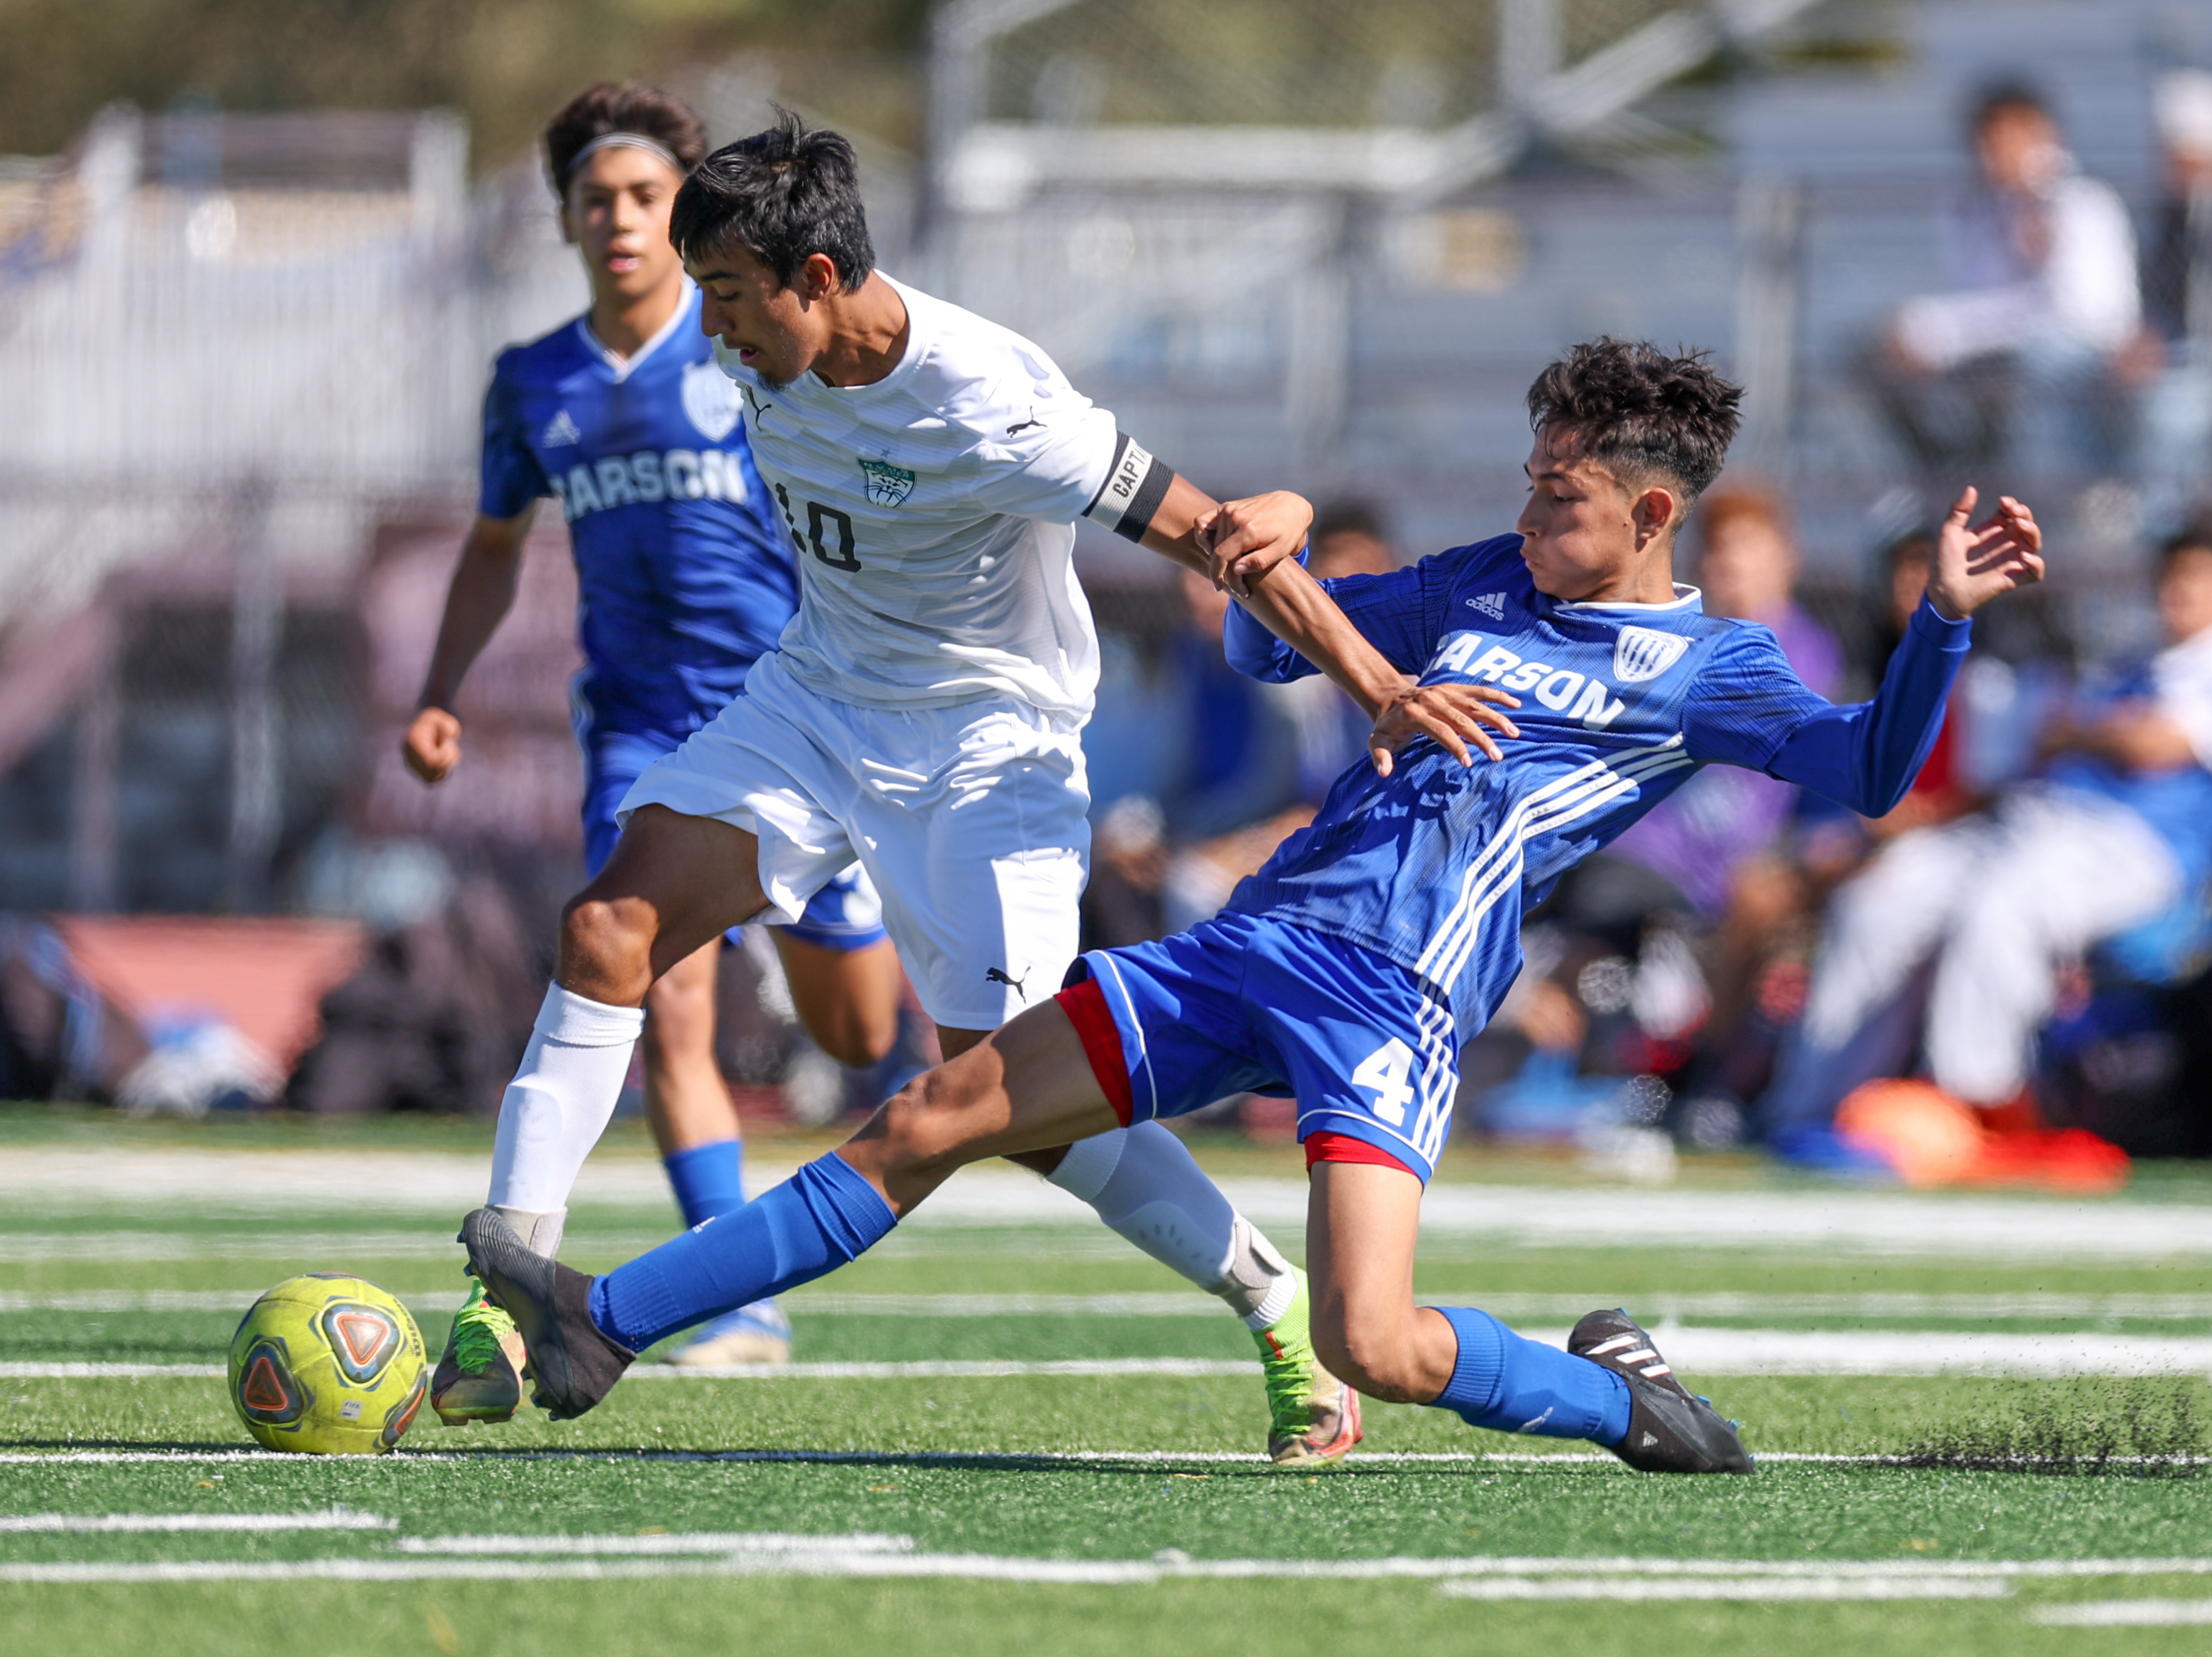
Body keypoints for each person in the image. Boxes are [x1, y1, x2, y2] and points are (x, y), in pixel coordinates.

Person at [455, 340, 2045, 1474]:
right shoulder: (1487, 575)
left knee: (1380, 1342)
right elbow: (1274, 646)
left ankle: (1617, 1401)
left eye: (1565, 494)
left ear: (1651, 516)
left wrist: (1944, 629)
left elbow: (1870, 772)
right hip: (1252, 944)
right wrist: (1260, 549)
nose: (1534, 508)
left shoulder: (1716, 669)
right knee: (938, 1109)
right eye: (1532, 477)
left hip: (1393, 1003)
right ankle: (607, 1318)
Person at [439, 113, 1485, 1464]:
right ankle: (497, 1298)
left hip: (989, 752)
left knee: (1014, 1108)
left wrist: (1375, 686)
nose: (715, 333)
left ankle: (1271, 1298)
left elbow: (1224, 540)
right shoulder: (756, 341)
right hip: (812, 701)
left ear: (820, 278)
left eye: (735, 300)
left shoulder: (993, 404)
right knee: (607, 930)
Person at [402, 84, 909, 1407]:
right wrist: (441, 687)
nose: (620, 221)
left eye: (643, 198)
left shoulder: (749, 337)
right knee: (657, 993)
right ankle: (720, 1304)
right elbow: (495, 547)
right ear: (563, 217)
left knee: (861, 1031)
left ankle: (820, 999)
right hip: (640, 733)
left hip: (802, 724)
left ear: (680, 213)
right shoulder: (533, 383)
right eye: (596, 199)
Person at [1765, 519, 2212, 1131]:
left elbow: (2152, 746)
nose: (2174, 591)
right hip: (2036, 825)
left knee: (2000, 904)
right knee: (1883, 895)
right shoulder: (2130, 666)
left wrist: (2078, 732)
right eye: (2169, 575)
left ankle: (1977, 1106)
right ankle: (1811, 1112)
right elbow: (2041, 750)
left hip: (2135, 849)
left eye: (2193, 577)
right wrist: (2078, 735)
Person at [1870, 82, 2141, 475]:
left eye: (2007, 140)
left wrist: (1942, 332)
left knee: (2036, 361)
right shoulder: (1970, 208)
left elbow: (2083, 312)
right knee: (1876, 357)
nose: (1995, 155)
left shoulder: (2084, 203)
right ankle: (1946, 471)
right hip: (2001, 344)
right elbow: (1983, 296)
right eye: (1987, 142)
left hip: (2080, 352)